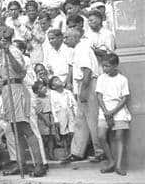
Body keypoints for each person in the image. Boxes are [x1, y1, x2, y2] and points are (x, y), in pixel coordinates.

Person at [0, 26, 46, 177]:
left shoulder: (13, 50)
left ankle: (39, 165)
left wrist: (8, 51)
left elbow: (20, 71)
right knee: (14, 128)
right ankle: (21, 164)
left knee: (24, 128)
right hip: (6, 89)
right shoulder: (1, 53)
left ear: (5, 39)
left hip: (16, 88)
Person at [63, 21, 103, 163]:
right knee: (81, 120)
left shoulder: (83, 48)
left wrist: (84, 92)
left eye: (66, 37)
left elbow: (87, 71)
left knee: (92, 119)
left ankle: (100, 151)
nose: (65, 40)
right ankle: (77, 152)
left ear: (74, 38)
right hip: (82, 85)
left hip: (88, 85)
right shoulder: (77, 49)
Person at [96, 54, 130, 175]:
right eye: (103, 66)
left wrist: (113, 112)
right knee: (101, 136)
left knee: (119, 137)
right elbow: (99, 96)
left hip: (119, 111)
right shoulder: (101, 78)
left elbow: (124, 98)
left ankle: (119, 166)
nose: (105, 68)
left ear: (115, 65)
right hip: (104, 111)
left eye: (107, 66)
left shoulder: (122, 79)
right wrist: (106, 112)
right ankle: (111, 161)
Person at [49, 76, 75, 157]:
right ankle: (66, 150)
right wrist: (56, 119)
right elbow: (52, 107)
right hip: (60, 113)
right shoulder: (52, 95)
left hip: (69, 112)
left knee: (72, 131)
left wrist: (76, 113)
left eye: (59, 79)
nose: (59, 81)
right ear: (53, 86)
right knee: (63, 133)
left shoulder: (68, 92)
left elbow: (74, 103)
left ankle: (73, 150)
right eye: (56, 80)